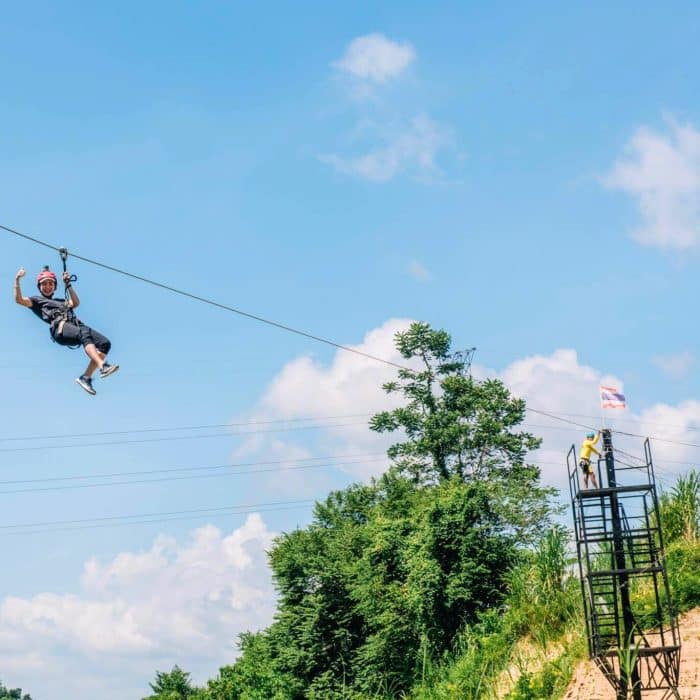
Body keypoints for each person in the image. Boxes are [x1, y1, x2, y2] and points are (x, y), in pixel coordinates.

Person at [14, 265, 119, 395]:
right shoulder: (37, 301)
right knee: (84, 332)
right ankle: (102, 365)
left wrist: (68, 284)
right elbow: (19, 300)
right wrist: (17, 280)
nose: (47, 286)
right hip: (60, 330)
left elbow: (75, 303)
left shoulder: (61, 301)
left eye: (50, 284)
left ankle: (86, 378)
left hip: (75, 326)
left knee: (105, 343)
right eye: (44, 284)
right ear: (39, 287)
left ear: (55, 286)